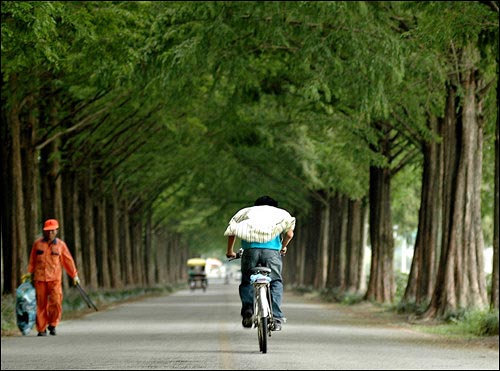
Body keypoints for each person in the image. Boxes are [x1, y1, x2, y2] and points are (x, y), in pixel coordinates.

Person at [224, 196, 295, 331]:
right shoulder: (281, 214)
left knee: (246, 281)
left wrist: (230, 251)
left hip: (250, 251)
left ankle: (248, 309)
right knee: (275, 282)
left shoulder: (246, 212)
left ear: (256, 205)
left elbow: (232, 231)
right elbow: (290, 234)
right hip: (272, 253)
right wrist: (283, 246)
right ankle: (277, 317)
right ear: (274, 206)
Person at [23, 219, 80, 336]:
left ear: (57, 231)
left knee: (56, 302)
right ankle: (41, 328)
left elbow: (68, 261)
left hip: (55, 279)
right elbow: (32, 260)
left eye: (52, 231)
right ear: (44, 231)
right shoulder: (37, 244)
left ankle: (53, 324)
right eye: (48, 231)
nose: (50, 233)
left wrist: (74, 275)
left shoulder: (61, 245)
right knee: (41, 304)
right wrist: (29, 273)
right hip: (40, 279)